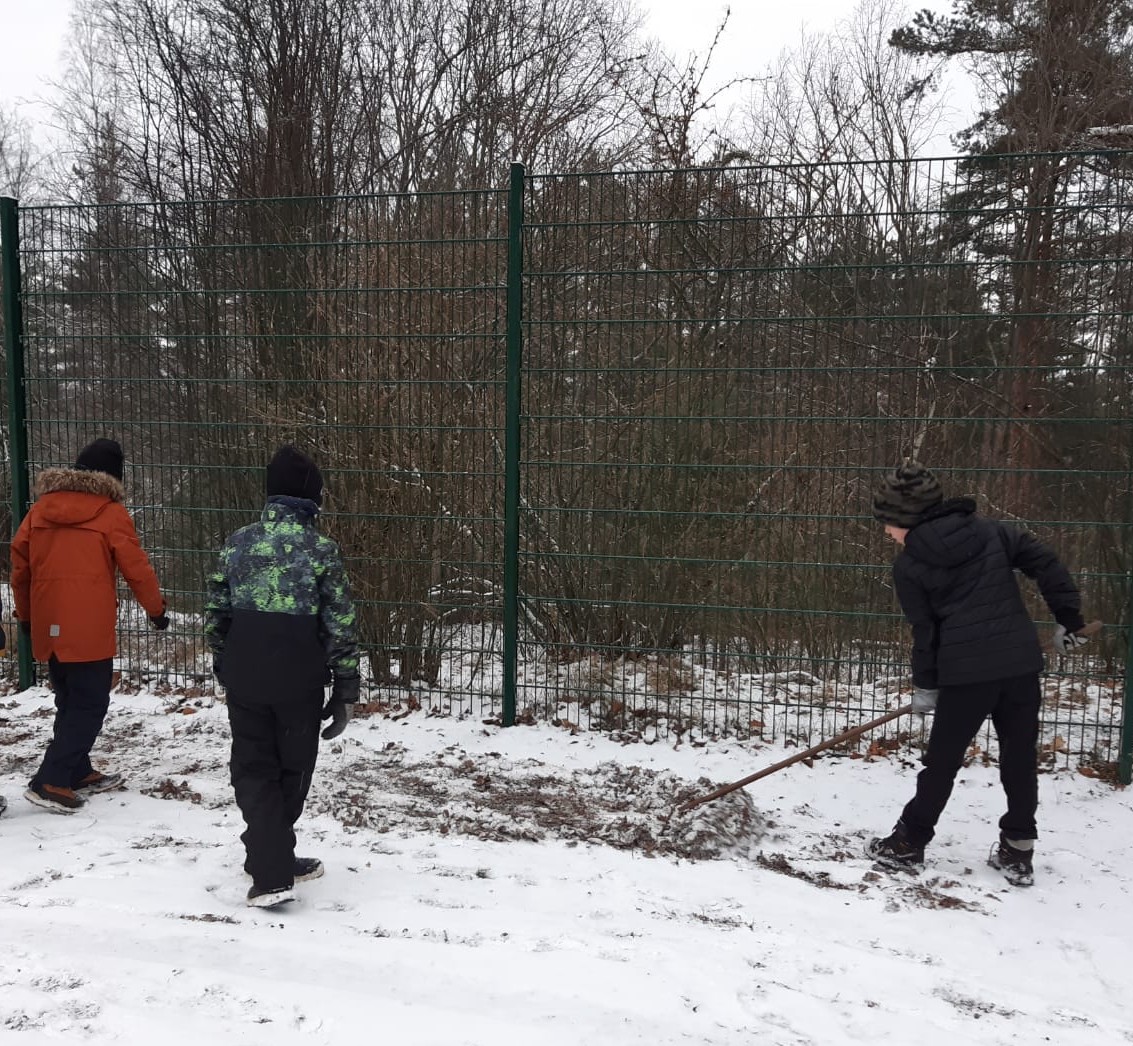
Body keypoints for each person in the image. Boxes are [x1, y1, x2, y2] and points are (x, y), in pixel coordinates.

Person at [866, 461, 1090, 887]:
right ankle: (1018, 850)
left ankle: (909, 842)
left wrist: (926, 684)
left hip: (965, 677)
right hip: (1020, 666)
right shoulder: (992, 532)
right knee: (1020, 759)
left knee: (942, 763)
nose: (886, 532)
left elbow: (926, 632)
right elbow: (1045, 562)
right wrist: (1068, 618)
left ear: (907, 518)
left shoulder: (909, 567)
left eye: (889, 523)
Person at [205, 445, 359, 909]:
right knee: (293, 769)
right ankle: (271, 872)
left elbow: (216, 611)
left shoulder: (237, 542)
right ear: (313, 497)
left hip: (246, 675)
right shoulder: (321, 550)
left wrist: (224, 661)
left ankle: (272, 853)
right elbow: (340, 622)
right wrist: (346, 688)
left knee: (252, 769)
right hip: (300, 680)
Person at [11, 438, 169, 813]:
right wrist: (156, 610)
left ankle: (77, 769)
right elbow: (136, 567)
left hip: (49, 622)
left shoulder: (39, 510)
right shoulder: (111, 513)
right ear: (113, 477)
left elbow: (20, 570)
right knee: (90, 703)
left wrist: (28, 616)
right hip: (88, 627)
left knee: (69, 698)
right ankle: (51, 778)